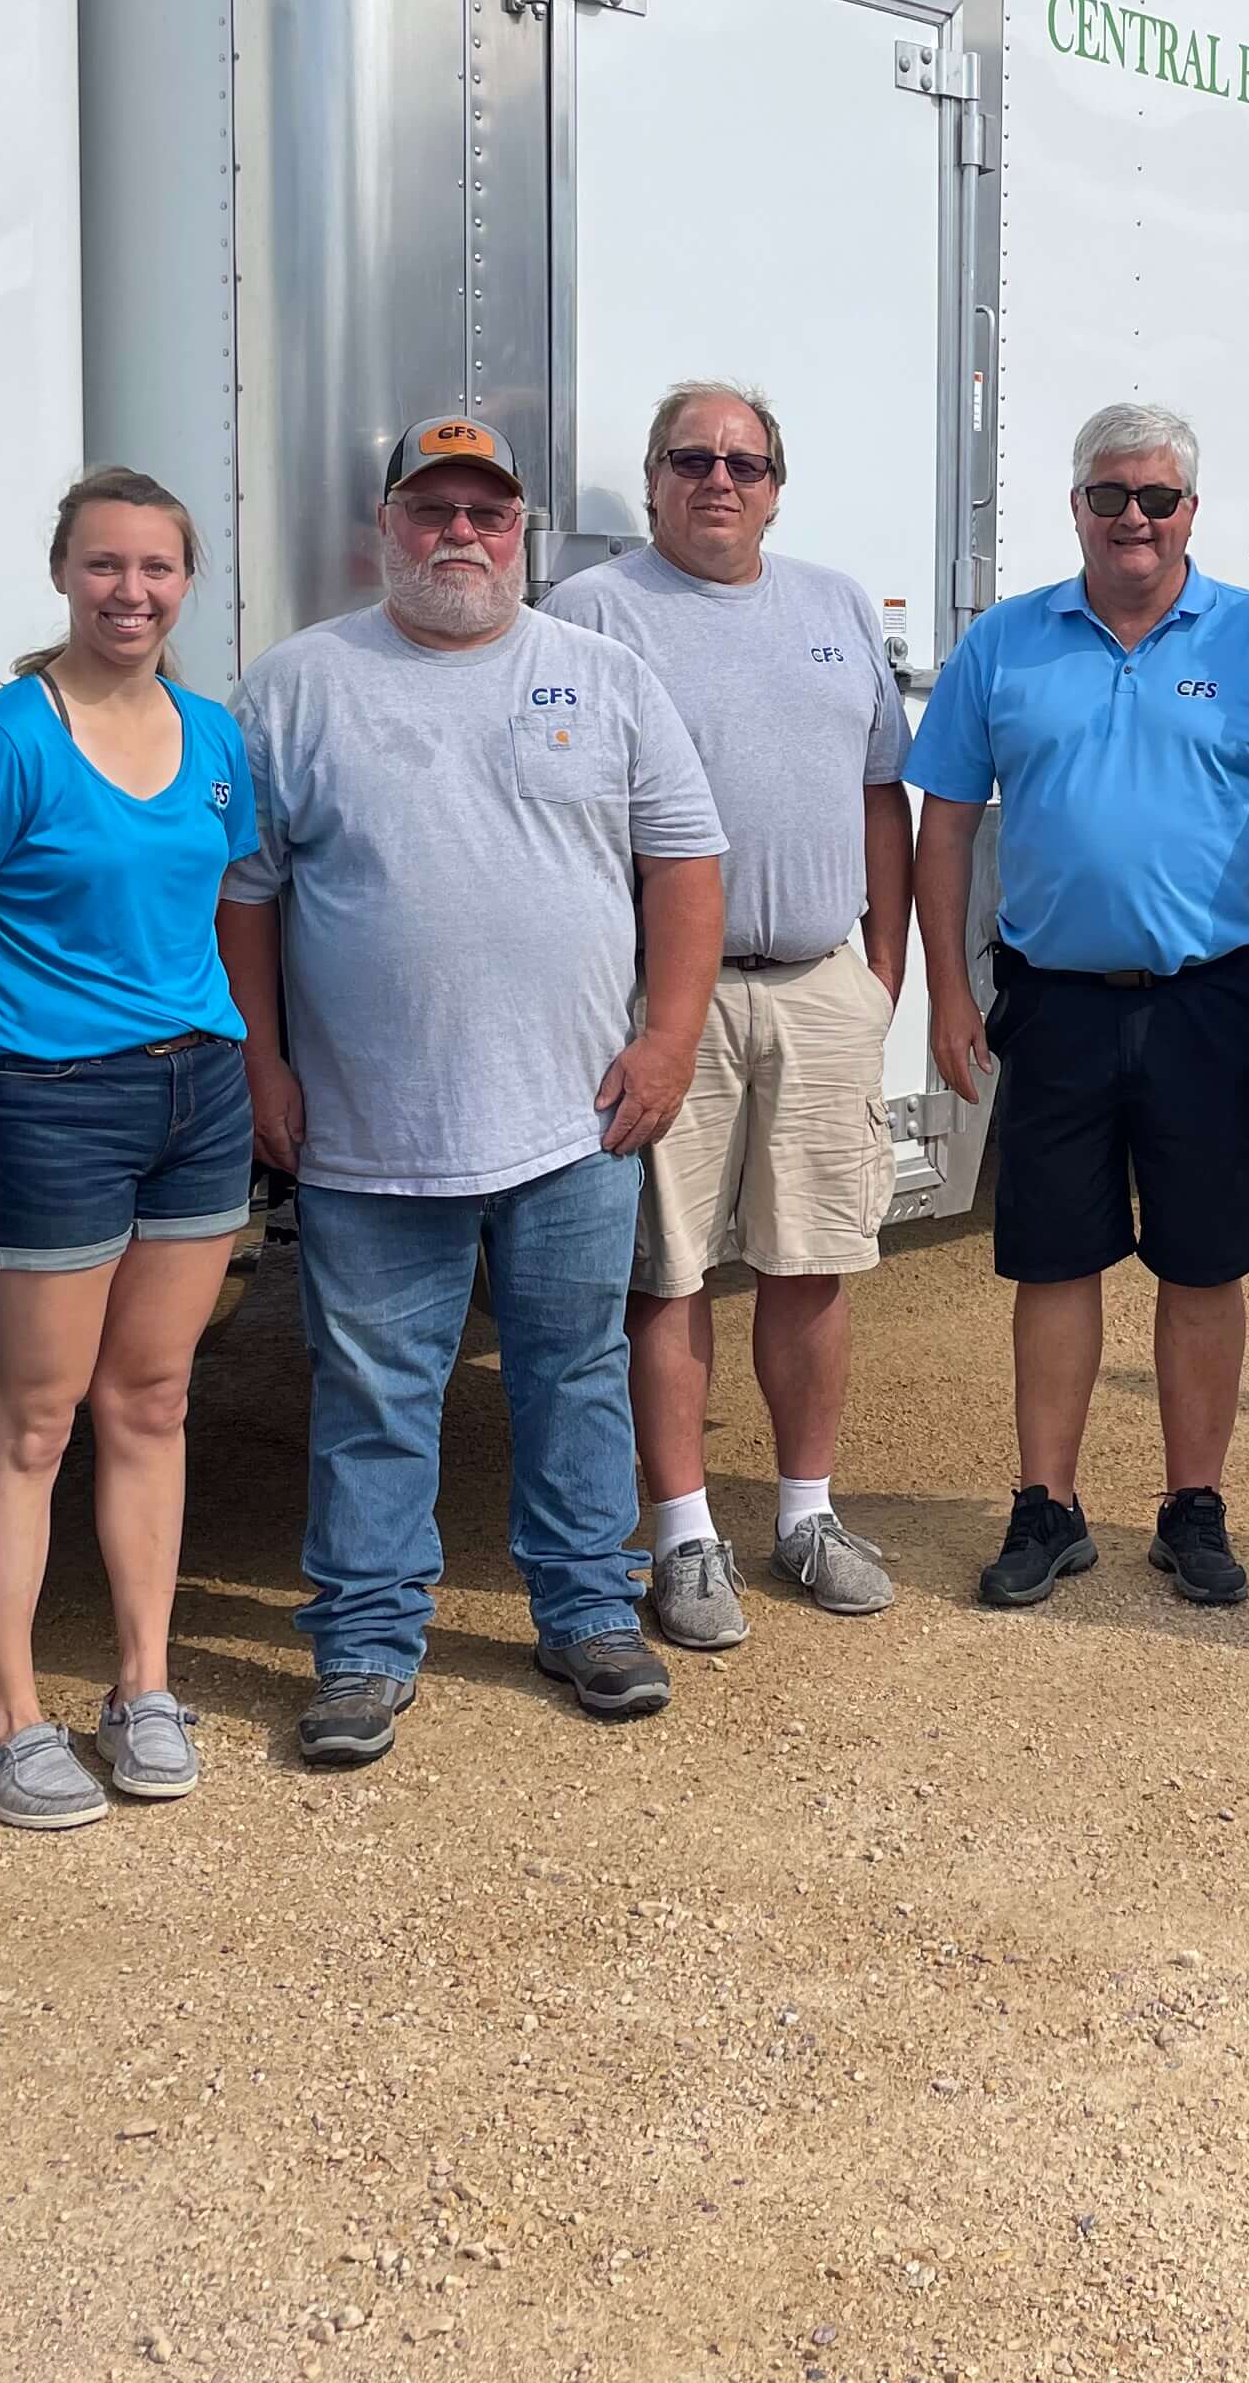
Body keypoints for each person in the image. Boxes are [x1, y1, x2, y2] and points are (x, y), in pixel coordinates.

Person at [220, 413, 728, 1756]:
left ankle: (585, 1613)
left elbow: (685, 861)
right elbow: (248, 897)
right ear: (384, 529)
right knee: (376, 1391)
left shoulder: (602, 675)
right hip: (368, 1129)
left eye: (487, 514)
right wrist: (263, 1058)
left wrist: (669, 1039)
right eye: (433, 511)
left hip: (575, 1118)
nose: (461, 535)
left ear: (523, 535)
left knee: (575, 1368)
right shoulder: (296, 686)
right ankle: (367, 1642)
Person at [907, 403, 1249, 1611]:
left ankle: (1193, 1506)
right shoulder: (1007, 645)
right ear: (1075, 507)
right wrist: (949, 989)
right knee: (1055, 1263)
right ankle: (1048, 1505)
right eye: (1110, 495)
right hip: (1055, 1004)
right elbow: (947, 820)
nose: (1134, 517)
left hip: (1213, 1004)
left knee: (1201, 1261)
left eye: (1157, 498)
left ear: (1190, 513)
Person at [548, 384, 914, 1647]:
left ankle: (806, 1514)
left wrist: (884, 967)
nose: (720, 482)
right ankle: (686, 1536)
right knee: (673, 1271)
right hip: (667, 1005)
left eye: (745, 464)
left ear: (778, 482)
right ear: (651, 480)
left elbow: (883, 797)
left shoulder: (835, 605)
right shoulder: (592, 615)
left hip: (818, 984)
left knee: (813, 1262)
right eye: (692, 460)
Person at [0, 468, 259, 1830]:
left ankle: (142, 1686)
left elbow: (218, 903)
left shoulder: (214, 737)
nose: (132, 592)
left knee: (154, 1402)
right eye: (106, 566)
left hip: (200, 1094)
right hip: (49, 1100)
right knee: (35, 1419)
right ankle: (5, 1721)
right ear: (64, 575)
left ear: (187, 585)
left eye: (158, 570)